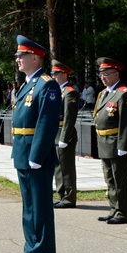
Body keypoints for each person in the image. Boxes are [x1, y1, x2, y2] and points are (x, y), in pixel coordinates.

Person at [10, 35, 60, 253]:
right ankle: (31, 247)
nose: (18, 59)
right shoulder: (28, 84)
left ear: (35, 57)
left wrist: (37, 156)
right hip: (23, 152)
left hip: (35, 155)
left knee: (40, 205)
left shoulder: (47, 84)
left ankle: (43, 251)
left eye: (22, 55)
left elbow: (46, 123)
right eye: (18, 56)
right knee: (29, 205)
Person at [92, 58, 127, 224]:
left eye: (107, 74)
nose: (103, 77)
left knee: (120, 180)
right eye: (101, 74)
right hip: (104, 142)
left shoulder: (124, 93)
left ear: (116, 74)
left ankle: (122, 212)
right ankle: (114, 208)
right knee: (109, 179)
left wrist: (123, 145)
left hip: (116, 141)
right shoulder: (104, 93)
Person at [51, 61, 80, 209]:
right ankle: (61, 195)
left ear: (64, 75)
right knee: (58, 167)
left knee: (66, 168)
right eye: (53, 74)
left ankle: (69, 197)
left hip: (64, 134)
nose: (54, 76)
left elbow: (69, 117)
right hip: (55, 133)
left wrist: (64, 137)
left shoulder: (70, 92)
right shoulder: (57, 91)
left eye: (56, 74)